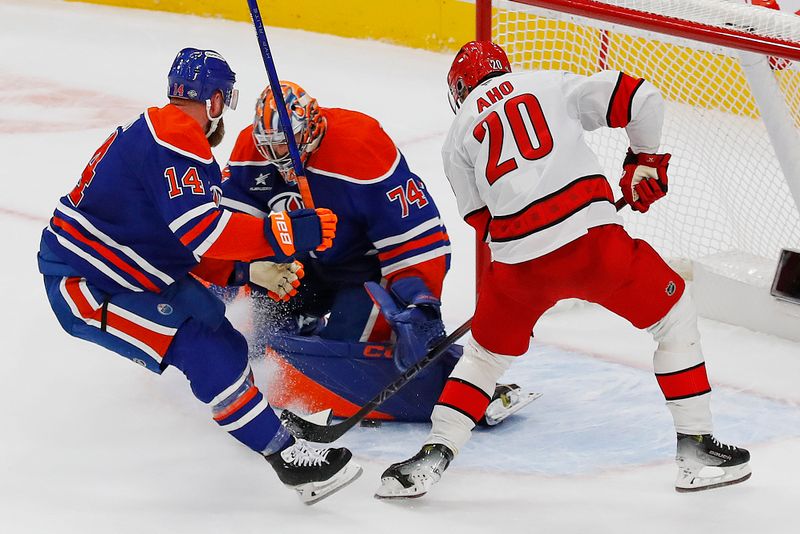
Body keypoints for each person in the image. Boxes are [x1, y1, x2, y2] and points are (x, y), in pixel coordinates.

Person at [375, 41, 751, 498]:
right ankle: (695, 448)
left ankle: (432, 455)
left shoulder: (458, 133)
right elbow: (640, 97)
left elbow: (482, 222)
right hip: (596, 248)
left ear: (459, 89)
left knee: (484, 359)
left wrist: (524, 284)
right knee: (674, 318)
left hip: (518, 266)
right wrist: (644, 162)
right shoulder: (547, 81)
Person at [36, 48, 361, 505]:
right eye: (223, 100)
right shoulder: (175, 136)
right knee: (203, 348)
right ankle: (289, 460)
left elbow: (185, 243)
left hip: (131, 271)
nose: (222, 112)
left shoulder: (163, 133)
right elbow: (201, 230)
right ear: (211, 101)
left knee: (218, 329)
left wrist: (250, 269)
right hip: (88, 284)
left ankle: (263, 419)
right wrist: (285, 231)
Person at [216, 81, 537, 424]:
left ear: (310, 128)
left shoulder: (360, 147)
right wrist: (240, 275)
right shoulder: (250, 150)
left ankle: (475, 386)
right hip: (303, 266)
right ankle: (302, 333)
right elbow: (229, 231)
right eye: (269, 147)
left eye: (284, 145)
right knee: (252, 335)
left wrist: (419, 303)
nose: (276, 157)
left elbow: (418, 236)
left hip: (367, 273)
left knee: (347, 357)